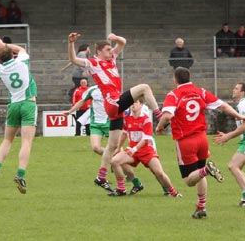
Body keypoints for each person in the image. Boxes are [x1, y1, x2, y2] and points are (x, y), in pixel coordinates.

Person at [68, 32, 164, 193]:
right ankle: (160, 116)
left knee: (112, 145)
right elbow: (73, 60)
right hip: (113, 103)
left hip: (115, 107)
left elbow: (123, 42)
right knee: (144, 88)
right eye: (107, 49)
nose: (110, 51)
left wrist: (115, 38)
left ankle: (101, 176)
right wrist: (70, 43)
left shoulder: (112, 58)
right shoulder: (93, 63)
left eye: (110, 49)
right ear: (98, 52)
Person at [155, 67, 245, 219]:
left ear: (175, 80)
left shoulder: (173, 94)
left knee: (188, 180)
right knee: (199, 173)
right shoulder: (201, 92)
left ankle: (206, 171)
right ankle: (201, 207)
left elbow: (167, 115)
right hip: (202, 139)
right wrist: (238, 115)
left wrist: (159, 127)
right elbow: (222, 106)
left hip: (186, 141)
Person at [0, 36, 37, 194]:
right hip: (28, 103)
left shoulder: (1, 69)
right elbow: (21, 49)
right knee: (26, 142)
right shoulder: (21, 61)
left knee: (7, 140)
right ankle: (20, 174)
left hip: (13, 105)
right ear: (12, 55)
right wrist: (3, 44)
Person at [109, 99, 182, 198]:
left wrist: (134, 149)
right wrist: (118, 148)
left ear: (141, 105)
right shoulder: (127, 118)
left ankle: (173, 192)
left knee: (159, 173)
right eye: (131, 102)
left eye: (135, 102)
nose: (133, 104)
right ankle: (124, 188)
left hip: (146, 150)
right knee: (115, 161)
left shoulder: (146, 119)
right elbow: (124, 133)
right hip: (133, 150)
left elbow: (146, 139)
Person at [213, 83, 245, 206]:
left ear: (243, 92)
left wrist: (228, 136)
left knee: (233, 166)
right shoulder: (243, 104)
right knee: (237, 167)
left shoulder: (243, 104)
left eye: (236, 88)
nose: (233, 90)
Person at [64, 85, 109, 156]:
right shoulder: (92, 90)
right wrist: (70, 111)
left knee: (117, 148)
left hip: (110, 123)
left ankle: (117, 160)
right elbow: (82, 101)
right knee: (96, 148)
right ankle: (114, 158)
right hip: (95, 124)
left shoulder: (112, 89)